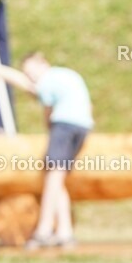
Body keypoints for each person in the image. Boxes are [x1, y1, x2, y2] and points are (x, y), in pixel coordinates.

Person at [21, 52, 93, 249]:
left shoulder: (47, 80)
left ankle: (43, 231)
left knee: (52, 176)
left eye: (30, 71)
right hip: (83, 126)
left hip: (64, 125)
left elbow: (48, 112)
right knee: (58, 178)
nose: (30, 77)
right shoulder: (67, 74)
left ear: (42, 63)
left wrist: (50, 128)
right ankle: (65, 231)